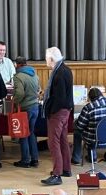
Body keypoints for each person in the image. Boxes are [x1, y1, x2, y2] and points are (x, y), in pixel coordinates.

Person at [41, 47, 73, 186]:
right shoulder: (66, 69)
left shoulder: (58, 73)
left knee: (53, 142)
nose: (45, 61)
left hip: (58, 112)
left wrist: (50, 111)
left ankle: (57, 174)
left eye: (46, 58)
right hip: (66, 110)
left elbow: (59, 98)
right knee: (62, 140)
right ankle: (66, 169)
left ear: (51, 59)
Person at [72, 88, 106, 165]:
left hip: (94, 140)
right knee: (95, 129)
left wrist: (75, 121)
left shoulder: (89, 107)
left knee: (78, 131)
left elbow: (80, 126)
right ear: (101, 94)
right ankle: (91, 157)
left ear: (90, 98)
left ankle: (76, 159)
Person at [12, 56, 41, 168]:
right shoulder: (34, 74)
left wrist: (14, 103)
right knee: (31, 133)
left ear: (17, 64)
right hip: (35, 107)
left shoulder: (18, 77)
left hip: (25, 109)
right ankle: (35, 159)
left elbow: (19, 94)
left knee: (23, 134)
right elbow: (39, 89)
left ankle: (25, 161)